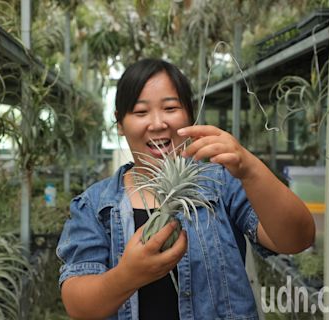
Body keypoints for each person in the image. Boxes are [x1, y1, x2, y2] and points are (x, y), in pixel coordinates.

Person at [56, 58, 315, 320]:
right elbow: (79, 306)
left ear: (189, 115)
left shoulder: (221, 184)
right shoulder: (95, 205)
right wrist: (126, 276)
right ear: (120, 124)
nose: (157, 123)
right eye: (140, 112)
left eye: (170, 107)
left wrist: (250, 168)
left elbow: (296, 239)